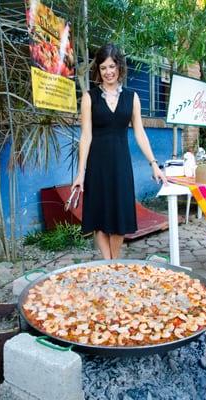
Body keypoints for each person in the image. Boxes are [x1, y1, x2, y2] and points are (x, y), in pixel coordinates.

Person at [72, 43, 167, 259]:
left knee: (120, 218)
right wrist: (80, 173)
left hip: (121, 165)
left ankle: (114, 262)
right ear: (99, 70)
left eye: (112, 66)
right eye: (103, 67)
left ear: (119, 67)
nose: (108, 72)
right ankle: (109, 264)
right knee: (99, 215)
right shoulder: (89, 97)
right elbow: (86, 137)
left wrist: (154, 164)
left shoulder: (132, 97)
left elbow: (140, 133)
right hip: (97, 165)